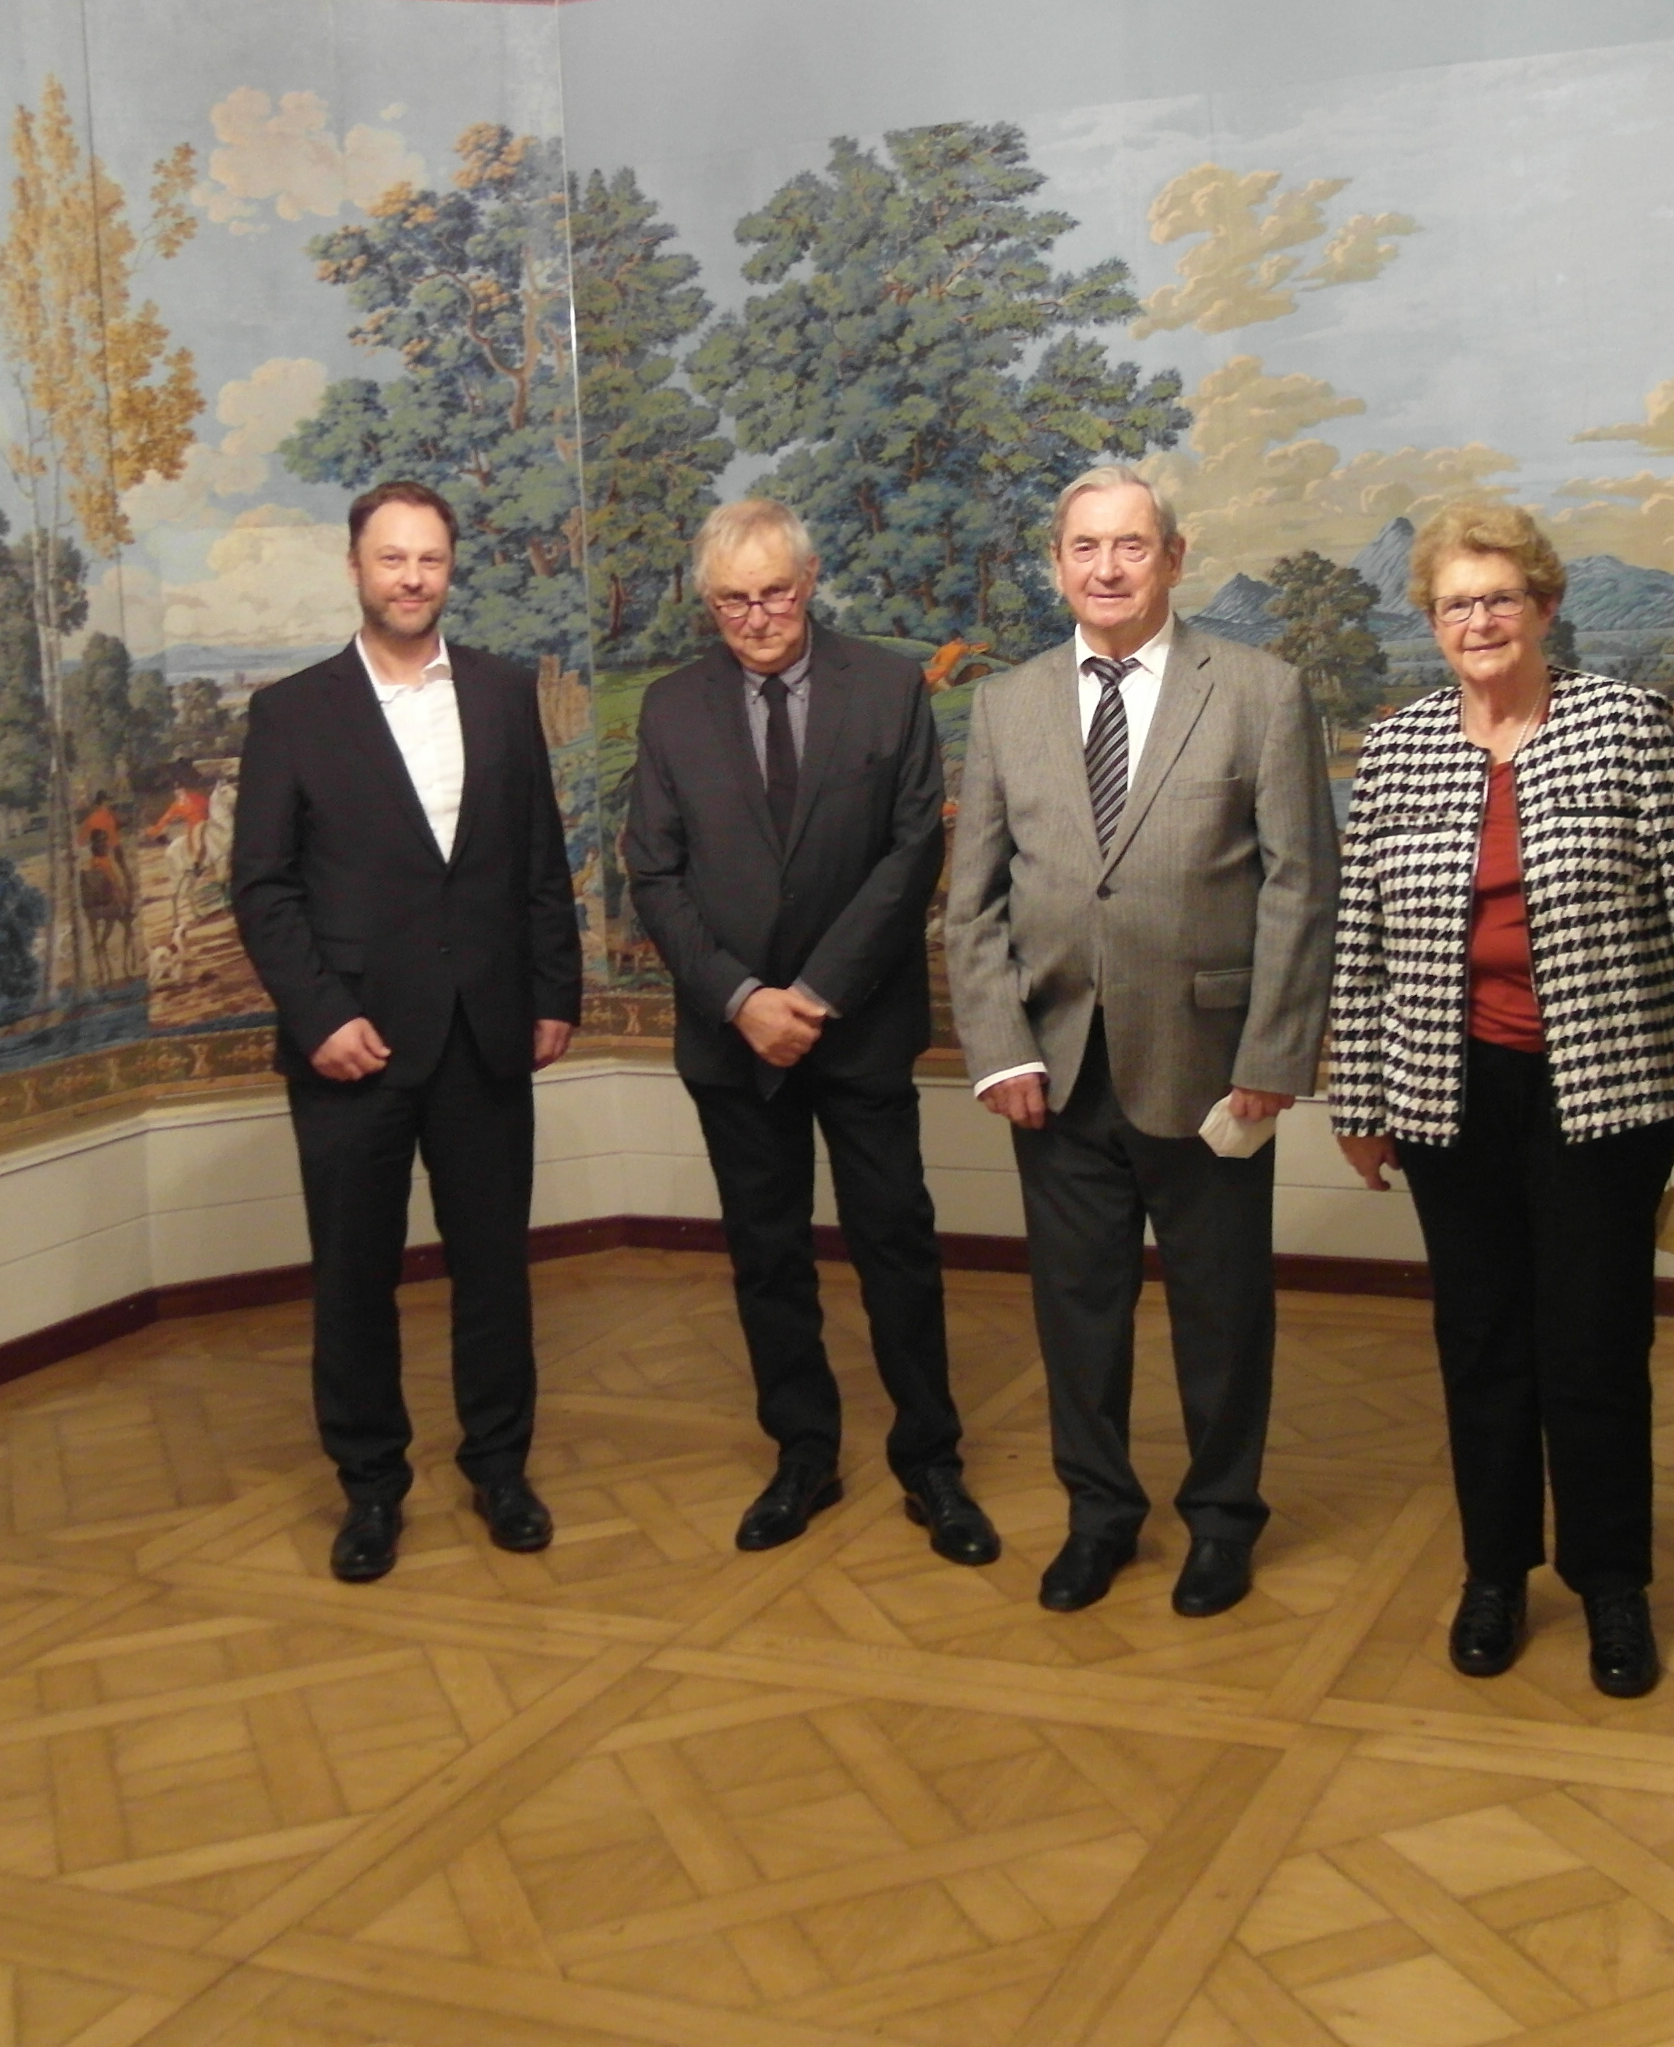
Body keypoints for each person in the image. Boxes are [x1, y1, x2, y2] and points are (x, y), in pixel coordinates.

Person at [1328, 497, 1674, 1698]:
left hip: (1605, 1092)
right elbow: (1362, 940)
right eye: (1456, 604)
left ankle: (1613, 1585)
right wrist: (1359, 1099)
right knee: (1482, 1342)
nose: (1480, 621)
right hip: (1449, 1093)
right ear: (1433, 622)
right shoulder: (1398, 747)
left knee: (1597, 1345)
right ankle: (1494, 1574)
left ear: (1545, 606)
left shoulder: (1624, 726)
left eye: (1500, 598)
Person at [944, 464, 1337, 1618]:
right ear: (1057, 564)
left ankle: (1222, 1520)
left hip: (1213, 1070)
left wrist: (1272, 1059)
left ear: (1173, 556)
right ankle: (1099, 1516)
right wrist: (999, 1048)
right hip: (1054, 1070)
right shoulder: (1006, 704)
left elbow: (1300, 888)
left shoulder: (1260, 691)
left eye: (1130, 546)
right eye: (1085, 547)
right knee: (1078, 1316)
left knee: (1222, 1314)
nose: (1106, 568)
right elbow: (972, 903)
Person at [621, 497, 997, 1566]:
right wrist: (743, 999)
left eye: (775, 593)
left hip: (860, 1026)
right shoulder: (671, 708)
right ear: (709, 603)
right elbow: (654, 872)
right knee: (767, 1254)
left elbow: (913, 852)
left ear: (811, 579)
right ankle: (803, 1455)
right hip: (731, 1039)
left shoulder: (885, 687)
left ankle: (931, 1461)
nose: (756, 617)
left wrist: (818, 993)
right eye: (732, 601)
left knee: (896, 1246)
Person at [231, 481, 583, 1585]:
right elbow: (262, 888)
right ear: (355, 567)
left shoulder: (503, 692)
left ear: (450, 567)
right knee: (353, 1280)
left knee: (495, 1272)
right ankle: (371, 1489)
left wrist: (555, 992)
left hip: (487, 1034)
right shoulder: (291, 713)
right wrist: (320, 1017)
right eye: (392, 559)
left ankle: (501, 1470)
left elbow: (538, 859)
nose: (412, 578)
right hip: (352, 1048)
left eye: (429, 558)